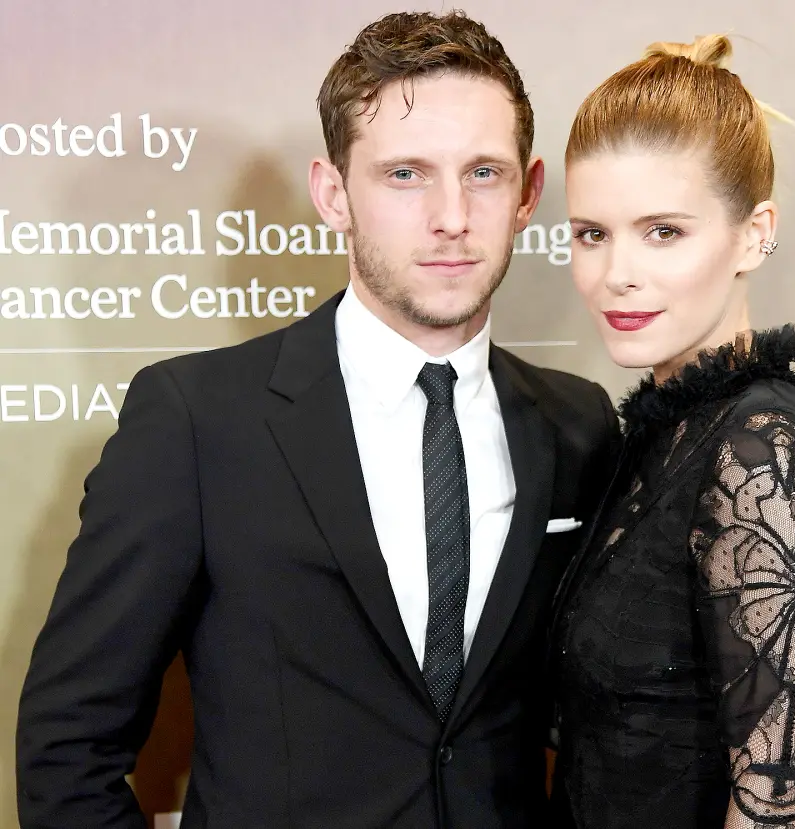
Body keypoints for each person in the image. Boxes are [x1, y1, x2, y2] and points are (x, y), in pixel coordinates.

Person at [15, 11, 620, 828]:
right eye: (405, 174)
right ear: (334, 194)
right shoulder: (197, 420)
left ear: (528, 193)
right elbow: (65, 749)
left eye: (483, 173)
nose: (452, 215)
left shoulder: (579, 425)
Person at [547, 34, 795, 829]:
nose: (617, 272)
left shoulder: (766, 450)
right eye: (591, 233)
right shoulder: (664, 435)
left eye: (663, 232)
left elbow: (777, 810)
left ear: (753, 234)